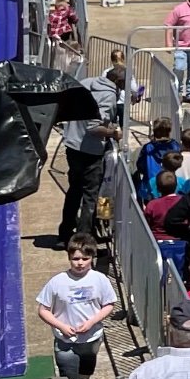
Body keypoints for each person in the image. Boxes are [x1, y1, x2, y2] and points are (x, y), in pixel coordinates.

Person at [54, 64, 125, 248]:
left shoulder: (86, 82)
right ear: (117, 81)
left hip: (72, 145)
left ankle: (64, 234)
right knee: (91, 196)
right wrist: (114, 133)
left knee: (74, 191)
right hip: (90, 152)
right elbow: (94, 128)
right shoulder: (108, 96)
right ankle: (83, 239)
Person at [35, 240, 118, 379]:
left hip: (91, 338)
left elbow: (109, 304)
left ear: (92, 258)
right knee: (67, 375)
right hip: (65, 340)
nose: (80, 263)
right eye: (76, 259)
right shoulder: (57, 281)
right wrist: (61, 326)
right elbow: (43, 309)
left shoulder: (100, 279)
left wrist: (91, 322)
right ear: (69, 258)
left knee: (86, 371)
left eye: (85, 259)